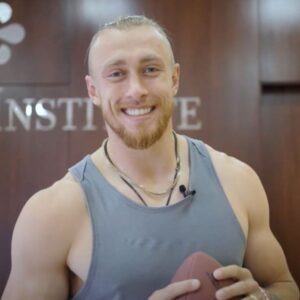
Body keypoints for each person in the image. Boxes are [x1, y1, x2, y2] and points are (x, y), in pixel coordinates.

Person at [1, 15, 299, 300]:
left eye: (151, 70)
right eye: (117, 74)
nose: (137, 90)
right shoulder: (52, 213)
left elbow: (285, 286)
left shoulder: (237, 180)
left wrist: (264, 297)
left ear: (174, 78)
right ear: (93, 90)